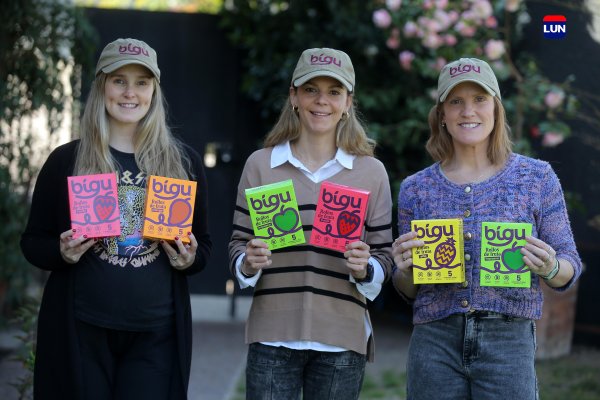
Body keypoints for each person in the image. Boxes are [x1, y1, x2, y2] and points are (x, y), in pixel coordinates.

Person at [20, 38, 212, 400]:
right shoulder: (68, 160)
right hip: (82, 331)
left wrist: (189, 258)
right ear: (101, 86)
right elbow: (33, 243)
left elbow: (204, 248)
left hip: (156, 335)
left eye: (141, 82)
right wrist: (61, 252)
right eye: (118, 80)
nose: (130, 93)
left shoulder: (182, 163)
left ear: (154, 90)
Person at [392, 57, 582, 400]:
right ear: (442, 116)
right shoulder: (415, 188)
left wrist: (550, 266)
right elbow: (408, 289)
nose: (468, 111)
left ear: (496, 109)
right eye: (456, 101)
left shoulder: (536, 178)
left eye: (479, 99)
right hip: (434, 341)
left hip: (508, 343)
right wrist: (403, 269)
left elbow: (569, 266)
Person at [228, 48, 394, 399]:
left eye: (334, 92)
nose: (322, 101)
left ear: (349, 102)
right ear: (294, 97)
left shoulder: (371, 172)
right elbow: (238, 244)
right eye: (311, 90)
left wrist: (366, 268)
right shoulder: (261, 165)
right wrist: (248, 260)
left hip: (341, 340)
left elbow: (384, 256)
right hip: (272, 335)